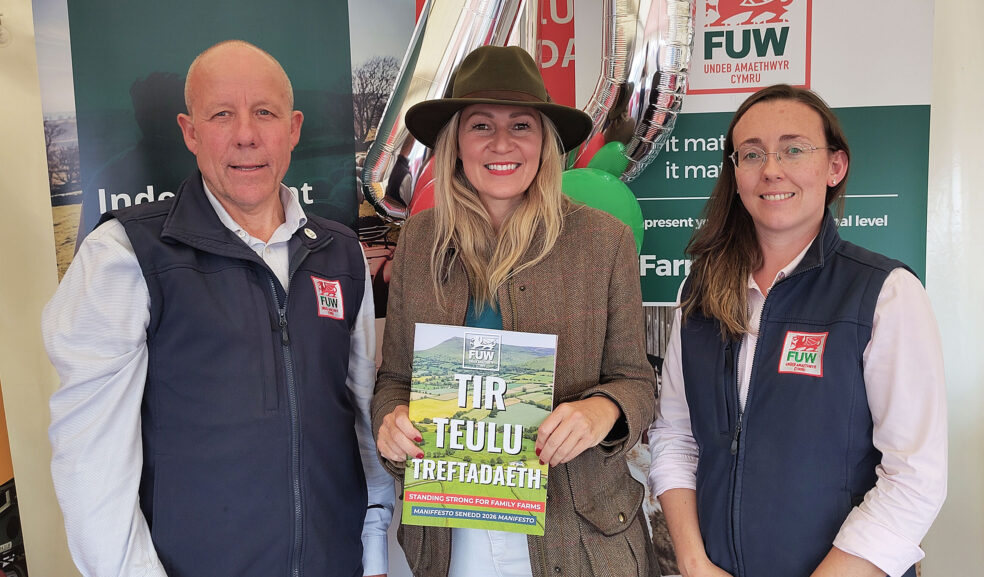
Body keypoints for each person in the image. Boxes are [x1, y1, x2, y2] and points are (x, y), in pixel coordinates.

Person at [42, 40, 393, 577]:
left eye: (265, 113)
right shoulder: (125, 257)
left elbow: (363, 423)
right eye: (222, 114)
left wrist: (371, 554)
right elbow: (90, 462)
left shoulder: (340, 253)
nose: (247, 135)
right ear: (190, 131)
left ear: (293, 128)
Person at [372, 45, 660, 577]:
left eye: (521, 125)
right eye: (480, 125)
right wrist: (390, 422)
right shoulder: (418, 242)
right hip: (452, 535)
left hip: (577, 536)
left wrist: (602, 411)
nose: (501, 144)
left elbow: (637, 382)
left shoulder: (603, 242)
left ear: (544, 141)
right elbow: (394, 379)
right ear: (455, 141)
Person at [647, 84, 947, 577]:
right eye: (751, 154)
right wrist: (694, 562)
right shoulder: (700, 291)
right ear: (735, 173)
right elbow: (676, 438)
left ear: (835, 167)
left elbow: (915, 479)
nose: (771, 169)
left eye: (794, 149)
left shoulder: (885, 293)